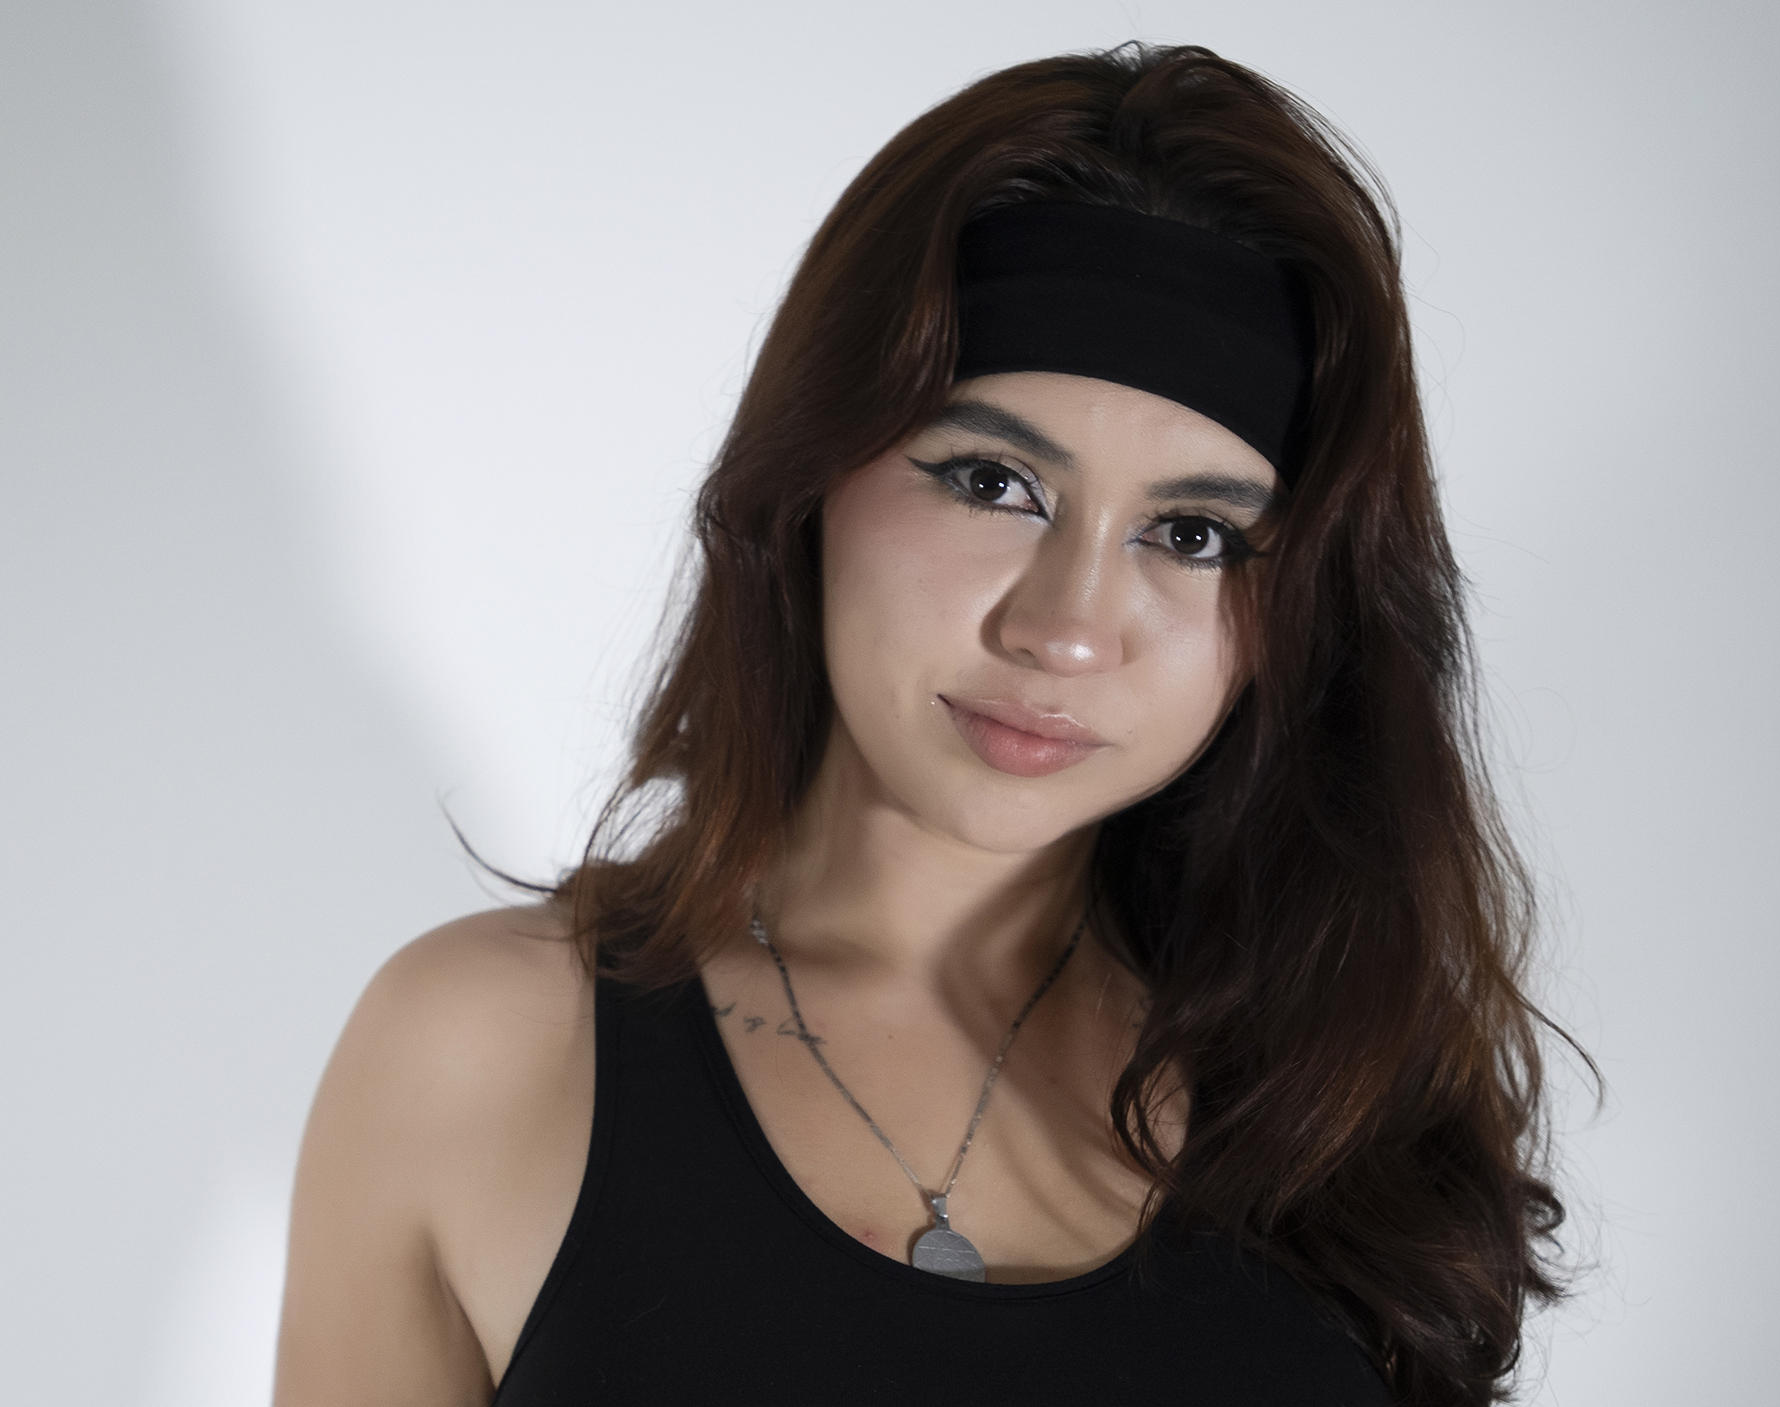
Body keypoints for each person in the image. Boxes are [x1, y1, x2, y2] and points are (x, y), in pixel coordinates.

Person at [273, 41, 1588, 1407]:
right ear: (811, 477)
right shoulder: (486, 1054)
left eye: (1193, 533)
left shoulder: (1341, 1102)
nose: (1067, 629)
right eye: (994, 482)